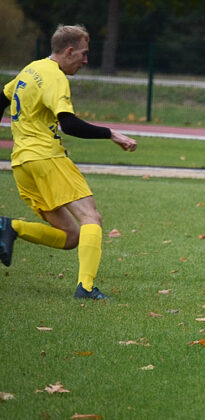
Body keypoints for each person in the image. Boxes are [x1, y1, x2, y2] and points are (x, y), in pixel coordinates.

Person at [0, 24, 137, 299]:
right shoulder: (55, 77)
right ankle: (86, 288)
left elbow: (0, 98)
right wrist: (111, 134)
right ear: (70, 50)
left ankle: (10, 227)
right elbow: (70, 125)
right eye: (84, 54)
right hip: (46, 157)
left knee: (70, 236)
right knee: (91, 217)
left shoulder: (30, 69)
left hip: (22, 165)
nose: (86, 61)